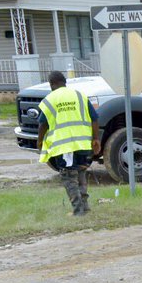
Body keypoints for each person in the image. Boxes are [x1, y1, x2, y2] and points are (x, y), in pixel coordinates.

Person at [37, 71, 100, 216]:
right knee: (81, 175)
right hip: (83, 145)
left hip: (65, 147)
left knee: (69, 178)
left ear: (51, 84)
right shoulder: (79, 96)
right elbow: (94, 118)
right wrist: (96, 139)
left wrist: (40, 141)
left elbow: (42, 124)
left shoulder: (50, 99)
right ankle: (85, 207)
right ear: (65, 82)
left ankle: (78, 211)